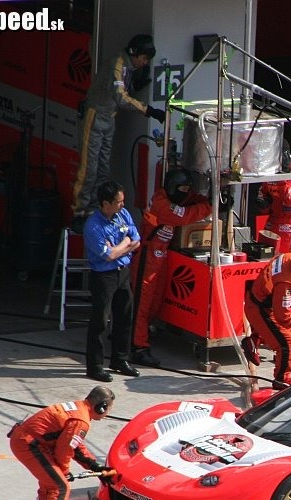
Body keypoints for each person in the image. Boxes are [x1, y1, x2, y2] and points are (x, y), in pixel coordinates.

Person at [70, 34, 165, 225]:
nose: (145, 63)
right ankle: (79, 212)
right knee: (89, 167)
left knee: (103, 167)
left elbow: (120, 91)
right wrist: (149, 110)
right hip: (94, 117)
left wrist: (136, 85)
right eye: (144, 59)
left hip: (109, 119)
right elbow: (120, 98)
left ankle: (96, 208)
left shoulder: (127, 67)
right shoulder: (117, 64)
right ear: (135, 53)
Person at [9, 386, 118, 500]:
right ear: (101, 407)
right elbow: (65, 450)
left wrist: (95, 467)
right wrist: (64, 472)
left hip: (28, 440)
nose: (107, 414)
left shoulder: (79, 408)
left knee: (53, 475)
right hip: (29, 444)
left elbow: (75, 445)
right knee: (60, 486)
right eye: (108, 409)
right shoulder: (81, 421)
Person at [131, 168, 212, 367]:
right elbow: (184, 215)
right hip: (147, 256)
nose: (185, 192)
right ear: (172, 187)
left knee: (155, 302)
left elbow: (190, 200)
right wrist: (210, 206)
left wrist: (211, 198)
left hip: (161, 255)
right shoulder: (162, 204)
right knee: (141, 304)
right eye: (182, 188)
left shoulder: (174, 197)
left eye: (187, 189)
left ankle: (131, 332)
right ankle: (138, 347)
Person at [84, 181, 141, 383]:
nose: (122, 206)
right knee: (100, 320)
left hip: (123, 272)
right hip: (103, 276)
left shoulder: (123, 215)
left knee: (125, 316)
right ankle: (95, 365)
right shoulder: (93, 226)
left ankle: (120, 359)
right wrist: (125, 244)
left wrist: (121, 245)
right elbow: (107, 256)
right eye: (118, 202)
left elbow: (136, 240)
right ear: (105, 203)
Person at [242, 244, 291, 387]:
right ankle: (281, 380)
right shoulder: (286, 281)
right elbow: (282, 314)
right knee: (286, 342)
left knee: (280, 333)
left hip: (260, 303)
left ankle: (253, 342)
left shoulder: (288, 258)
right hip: (259, 310)